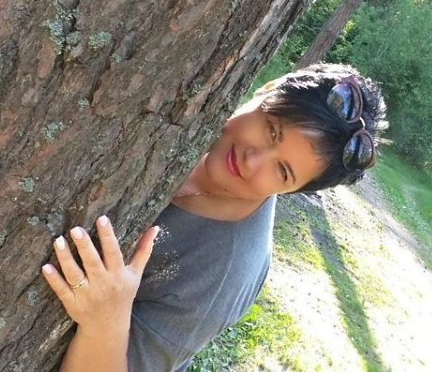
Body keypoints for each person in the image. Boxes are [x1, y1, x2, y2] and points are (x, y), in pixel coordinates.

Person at [41, 63, 386, 372]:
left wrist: (105, 321)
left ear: (292, 190)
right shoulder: (182, 105)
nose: (252, 160)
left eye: (282, 171)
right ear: (266, 90)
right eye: (271, 130)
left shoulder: (221, 275)